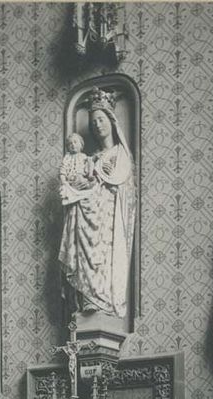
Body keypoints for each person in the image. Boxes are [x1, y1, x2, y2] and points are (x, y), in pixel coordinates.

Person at [58, 88, 136, 318]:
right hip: (86, 215)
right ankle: (88, 298)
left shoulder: (120, 153)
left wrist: (103, 179)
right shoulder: (89, 158)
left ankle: (103, 300)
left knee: (104, 258)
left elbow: (122, 182)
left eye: (101, 120)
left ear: (111, 121)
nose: (97, 125)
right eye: (93, 122)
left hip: (109, 222)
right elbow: (80, 179)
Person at [59, 133, 95, 198]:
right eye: (70, 143)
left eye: (75, 142)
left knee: (90, 160)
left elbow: (89, 164)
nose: (73, 145)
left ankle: (90, 176)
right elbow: (62, 171)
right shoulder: (67, 157)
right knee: (64, 190)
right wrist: (64, 182)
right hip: (70, 182)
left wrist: (91, 162)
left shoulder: (83, 156)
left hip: (80, 177)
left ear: (81, 144)